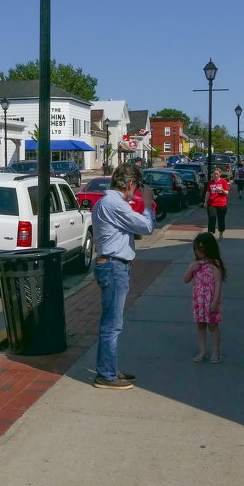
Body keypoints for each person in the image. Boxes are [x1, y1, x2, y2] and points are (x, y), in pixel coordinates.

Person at [90, 164, 157, 390]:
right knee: (112, 325)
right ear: (129, 184)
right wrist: (147, 203)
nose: (136, 191)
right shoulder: (115, 204)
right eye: (136, 187)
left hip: (110, 263)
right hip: (114, 265)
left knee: (111, 323)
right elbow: (146, 226)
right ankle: (106, 375)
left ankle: (108, 368)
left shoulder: (105, 202)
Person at [183, 232, 226, 363]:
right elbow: (186, 280)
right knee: (201, 326)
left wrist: (215, 301)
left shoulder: (215, 264)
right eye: (196, 249)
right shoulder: (196, 264)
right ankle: (202, 351)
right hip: (199, 300)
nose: (198, 252)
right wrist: (190, 269)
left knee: (213, 326)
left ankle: (215, 353)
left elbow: (218, 284)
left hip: (211, 299)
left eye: (201, 249)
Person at [205, 168, 230, 237]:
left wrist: (222, 190)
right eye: (214, 174)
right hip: (211, 203)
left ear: (220, 174)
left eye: (217, 174)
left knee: (221, 219)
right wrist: (205, 201)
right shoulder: (210, 182)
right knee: (211, 218)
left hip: (221, 204)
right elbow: (208, 192)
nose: (215, 175)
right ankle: (211, 234)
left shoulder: (223, 181)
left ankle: (221, 233)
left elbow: (227, 193)